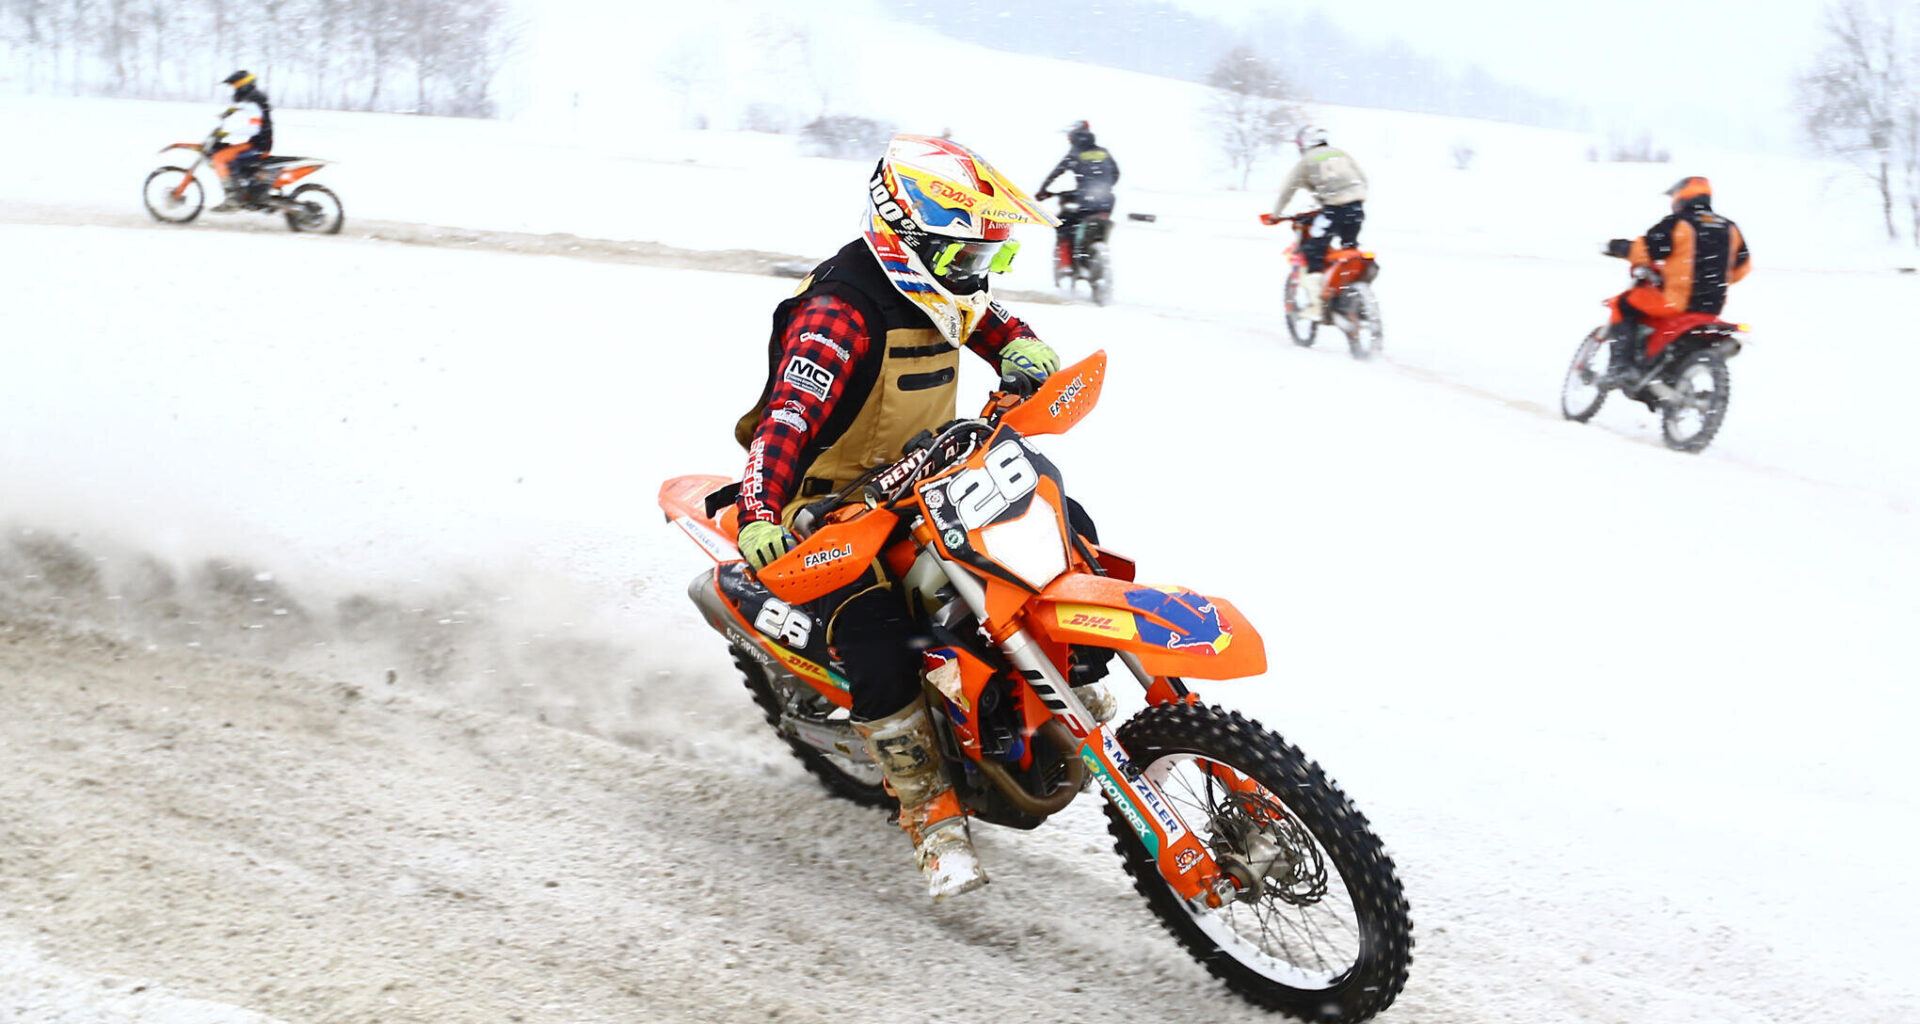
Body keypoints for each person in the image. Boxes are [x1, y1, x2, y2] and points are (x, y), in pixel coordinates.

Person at [731, 134, 1114, 902]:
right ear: (909, 239)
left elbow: (992, 323)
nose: (979, 276)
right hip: (830, 503)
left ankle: (1067, 679)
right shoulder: (838, 314)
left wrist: (1025, 355)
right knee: (877, 637)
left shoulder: (942, 281)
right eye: (969, 258)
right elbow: (786, 421)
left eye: (988, 259)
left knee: (1063, 522)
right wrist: (759, 511)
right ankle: (933, 818)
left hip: (932, 472)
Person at [1600, 176, 1752, 387]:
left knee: (1623, 304)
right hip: (1711, 308)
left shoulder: (1679, 223)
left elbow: (1645, 250)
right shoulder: (1730, 228)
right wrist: (1708, 279)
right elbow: (1741, 268)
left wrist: (1618, 247)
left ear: (1681, 197)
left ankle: (1621, 369)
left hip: (1676, 302)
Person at [1261, 126, 1368, 320]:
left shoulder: (1306, 161)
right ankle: (1347, 295)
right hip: (1357, 209)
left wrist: (1275, 215)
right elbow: (1362, 179)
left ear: (1304, 144)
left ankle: (1317, 307)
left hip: (1333, 211)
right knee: (1349, 249)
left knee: (1312, 253)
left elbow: (1287, 190)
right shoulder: (1341, 154)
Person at [1034, 121, 1120, 282]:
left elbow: (1055, 174)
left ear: (1073, 137)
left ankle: (1066, 264)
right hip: (1107, 201)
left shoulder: (1075, 154)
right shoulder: (1103, 153)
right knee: (1096, 225)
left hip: (1086, 200)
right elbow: (1115, 174)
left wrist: (1043, 191)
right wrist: (1102, 186)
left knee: (1064, 224)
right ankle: (1091, 253)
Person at [210, 70, 273, 212]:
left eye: (235, 86)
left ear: (243, 86)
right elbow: (246, 107)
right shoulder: (254, 98)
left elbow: (254, 128)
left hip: (259, 144)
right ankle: (240, 192)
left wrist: (227, 132)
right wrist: (232, 110)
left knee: (219, 158)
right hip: (260, 141)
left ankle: (233, 200)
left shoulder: (252, 102)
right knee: (228, 155)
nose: (234, 89)